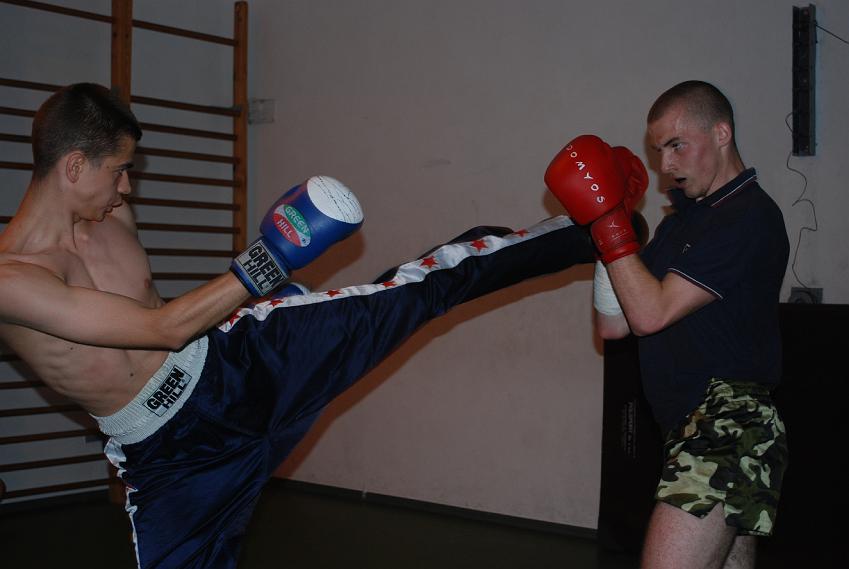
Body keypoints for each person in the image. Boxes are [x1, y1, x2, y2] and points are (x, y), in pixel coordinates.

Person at [0, 83, 597, 569]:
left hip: (240, 367)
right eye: (118, 171)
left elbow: (170, 326)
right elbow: (160, 329)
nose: (127, 187)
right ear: (74, 165)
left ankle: (582, 234)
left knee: (413, 295)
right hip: (173, 461)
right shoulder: (13, 281)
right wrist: (271, 259)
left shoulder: (111, 213)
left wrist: (263, 288)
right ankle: (287, 301)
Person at [544, 81, 789, 569]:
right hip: (687, 426)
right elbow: (614, 325)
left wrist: (609, 225)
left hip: (726, 423)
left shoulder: (747, 216)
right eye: (658, 151)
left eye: (677, 145)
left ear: (721, 133)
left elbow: (650, 314)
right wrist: (612, 225)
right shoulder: (680, 225)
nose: (666, 165)